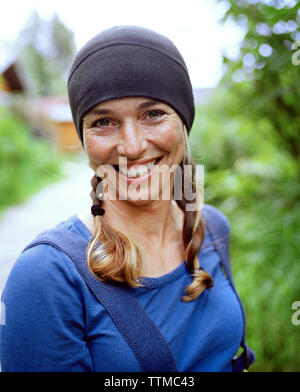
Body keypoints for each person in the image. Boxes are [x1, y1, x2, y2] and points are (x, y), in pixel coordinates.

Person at [0, 26, 254, 372]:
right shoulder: (48, 276)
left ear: (184, 121)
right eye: (104, 122)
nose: (132, 146)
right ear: (85, 139)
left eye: (153, 114)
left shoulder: (211, 228)